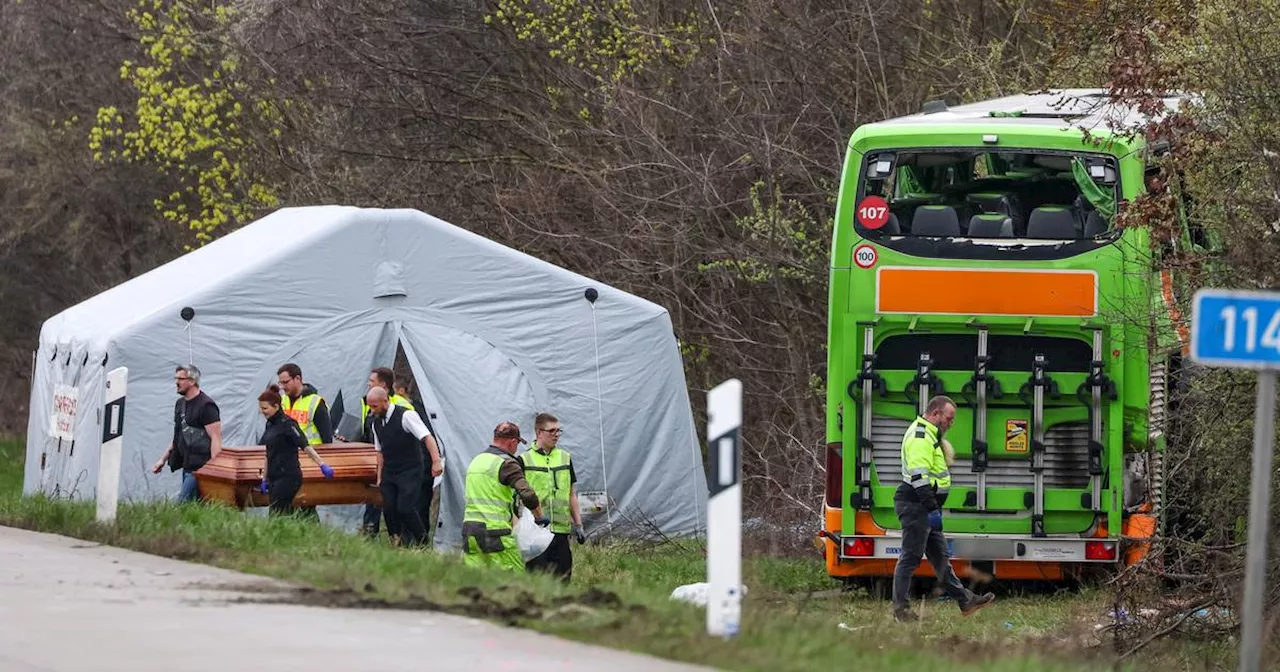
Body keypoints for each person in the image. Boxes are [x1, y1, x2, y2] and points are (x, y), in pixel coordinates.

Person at [892, 395, 996, 622]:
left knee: (940, 560)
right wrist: (931, 509)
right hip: (917, 505)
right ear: (935, 414)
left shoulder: (930, 434)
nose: (951, 423)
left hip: (925, 507)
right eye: (949, 418)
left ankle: (965, 600)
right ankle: (901, 611)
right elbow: (919, 478)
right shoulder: (920, 437)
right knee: (910, 558)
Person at [462, 421, 547, 572]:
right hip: (496, 533)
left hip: (470, 531)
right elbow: (527, 494)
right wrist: (539, 516)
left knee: (475, 579)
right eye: (517, 444)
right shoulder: (507, 463)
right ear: (513, 442)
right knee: (512, 579)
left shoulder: (477, 460)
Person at [367, 386, 442, 547]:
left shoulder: (406, 416)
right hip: (389, 470)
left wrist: (436, 461)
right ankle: (397, 541)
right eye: (370, 406)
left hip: (410, 469)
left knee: (405, 508)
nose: (372, 410)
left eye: (375, 406)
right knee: (388, 508)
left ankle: (422, 540)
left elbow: (427, 438)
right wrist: (380, 477)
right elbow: (379, 452)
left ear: (385, 401)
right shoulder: (376, 423)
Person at [519, 413, 585, 580]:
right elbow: (516, 498)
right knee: (538, 580)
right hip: (537, 532)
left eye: (559, 431)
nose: (556, 435)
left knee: (563, 578)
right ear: (539, 432)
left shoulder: (565, 457)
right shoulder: (524, 460)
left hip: (561, 531)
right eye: (552, 431)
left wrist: (578, 524)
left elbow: (571, 494)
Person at [256, 385, 335, 515]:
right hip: (274, 476)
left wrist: (322, 464)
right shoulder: (269, 424)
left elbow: (305, 446)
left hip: (288, 476)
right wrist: (264, 478)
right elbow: (268, 454)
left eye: (265, 408)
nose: (262, 412)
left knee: (278, 512)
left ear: (276, 407)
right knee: (279, 512)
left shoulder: (288, 424)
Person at [357, 367, 416, 537]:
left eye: (372, 381)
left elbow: (413, 436)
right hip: (374, 457)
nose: (368, 383)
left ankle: (410, 539)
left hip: (399, 463)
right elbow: (368, 429)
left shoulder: (402, 406)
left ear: (383, 385)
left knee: (401, 506)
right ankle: (375, 534)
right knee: (377, 500)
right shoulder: (367, 402)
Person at [151, 365, 223, 502]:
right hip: (187, 465)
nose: (176, 382)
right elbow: (178, 436)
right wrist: (163, 459)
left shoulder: (206, 406)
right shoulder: (180, 404)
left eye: (181, 378)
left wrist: (215, 468)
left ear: (192, 381)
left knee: (183, 503)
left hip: (202, 467)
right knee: (195, 508)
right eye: (176, 378)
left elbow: (216, 438)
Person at [276, 363, 334, 446]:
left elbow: (327, 439)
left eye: (285, 382)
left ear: (297, 379)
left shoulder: (316, 403)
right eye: (280, 383)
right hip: (287, 455)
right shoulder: (281, 401)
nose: (282, 387)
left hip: (310, 455)